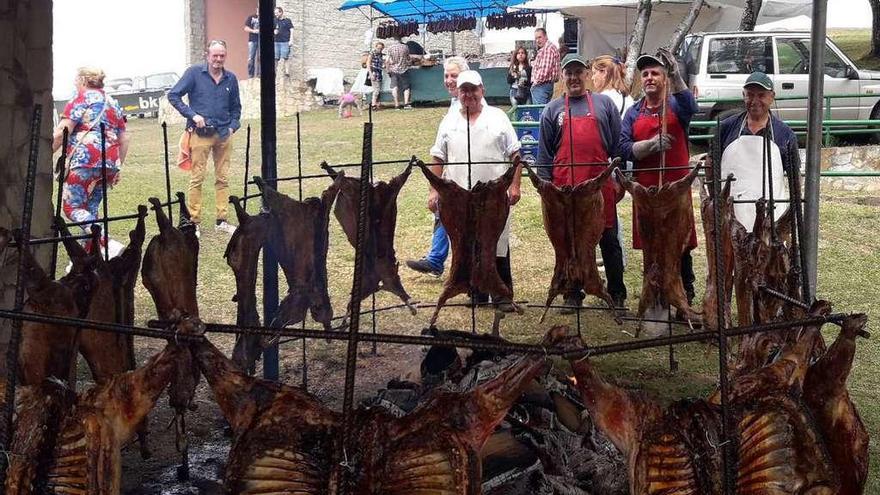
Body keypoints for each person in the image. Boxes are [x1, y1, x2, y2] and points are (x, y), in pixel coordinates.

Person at [536, 54, 627, 312]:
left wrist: (619, 178)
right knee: (569, 243)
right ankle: (572, 294)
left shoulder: (604, 105)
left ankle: (617, 293)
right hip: (565, 191)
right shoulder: (552, 110)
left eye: (578, 71)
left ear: (587, 74)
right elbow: (544, 155)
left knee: (608, 240)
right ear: (562, 77)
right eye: (569, 73)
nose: (574, 77)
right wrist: (546, 190)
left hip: (598, 189)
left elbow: (616, 148)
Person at [427, 70, 523, 309]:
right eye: (464, 90)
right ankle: (476, 292)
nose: (469, 94)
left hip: (493, 196)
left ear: (483, 90)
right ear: (458, 93)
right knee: (467, 242)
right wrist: (434, 191)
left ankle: (502, 296)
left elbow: (516, 154)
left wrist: (515, 184)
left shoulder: (498, 117)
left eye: (473, 89)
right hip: (459, 196)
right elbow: (438, 157)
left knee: (497, 241)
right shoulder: (448, 121)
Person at [620, 50, 700, 305]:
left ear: (664, 78)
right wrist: (649, 146)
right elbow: (622, 147)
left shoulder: (676, 105)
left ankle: (685, 293)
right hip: (647, 191)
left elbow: (691, 106)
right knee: (652, 243)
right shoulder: (633, 112)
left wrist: (677, 74)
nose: (649, 78)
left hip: (675, 189)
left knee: (680, 242)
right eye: (645, 74)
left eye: (655, 73)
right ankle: (654, 295)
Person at [168, 39, 242, 236]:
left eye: (222, 55)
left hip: (224, 134)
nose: (218, 59)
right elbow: (173, 95)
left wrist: (233, 127)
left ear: (225, 56)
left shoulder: (231, 79)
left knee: (223, 178)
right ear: (207, 56)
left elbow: (236, 107)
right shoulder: (194, 73)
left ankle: (222, 220)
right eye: (215, 55)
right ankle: (194, 222)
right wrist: (193, 115)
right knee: (197, 177)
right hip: (200, 134)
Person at [52, 66, 130, 254]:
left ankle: (107, 243)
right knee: (91, 211)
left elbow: (63, 131)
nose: (75, 84)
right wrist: (118, 166)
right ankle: (90, 257)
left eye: (76, 80)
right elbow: (124, 137)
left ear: (84, 80)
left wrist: (44, 154)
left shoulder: (80, 99)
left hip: (84, 161)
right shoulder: (113, 103)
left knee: (72, 208)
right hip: (109, 162)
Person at [406, 56, 471, 277]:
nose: (449, 80)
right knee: (444, 211)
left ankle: (454, 264)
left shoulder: (470, 104)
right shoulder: (454, 105)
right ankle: (436, 259)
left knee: (455, 216)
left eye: (454, 75)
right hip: (451, 174)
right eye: (446, 76)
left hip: (466, 174)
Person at [717, 71, 799, 227]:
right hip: (731, 215)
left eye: (761, 95)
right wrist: (716, 201)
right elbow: (712, 163)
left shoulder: (785, 134)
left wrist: (791, 215)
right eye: (750, 95)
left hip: (771, 215)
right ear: (743, 95)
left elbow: (794, 176)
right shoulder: (727, 127)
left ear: (771, 96)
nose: (755, 101)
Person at [591, 54, 635, 269]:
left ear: (604, 72)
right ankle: (615, 257)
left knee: (607, 216)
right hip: (624, 162)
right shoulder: (626, 97)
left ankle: (616, 259)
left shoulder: (606, 99)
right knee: (611, 215)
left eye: (594, 72)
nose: (592, 77)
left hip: (609, 164)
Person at [530, 28, 560, 105]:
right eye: (536, 38)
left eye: (540, 37)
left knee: (539, 113)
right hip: (547, 85)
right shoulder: (548, 48)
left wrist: (535, 83)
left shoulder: (548, 49)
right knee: (544, 111)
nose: (537, 40)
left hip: (541, 85)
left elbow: (544, 70)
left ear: (546, 36)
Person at [386, 36, 412, 109]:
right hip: (404, 69)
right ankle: (406, 103)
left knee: (394, 87)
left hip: (393, 70)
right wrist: (409, 62)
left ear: (394, 40)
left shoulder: (390, 48)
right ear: (401, 40)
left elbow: (387, 61)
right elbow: (408, 59)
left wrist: (388, 70)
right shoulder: (405, 47)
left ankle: (396, 104)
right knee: (406, 87)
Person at [273, 6, 294, 76]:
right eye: (275, 13)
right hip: (276, 42)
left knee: (285, 57)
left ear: (281, 12)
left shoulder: (287, 20)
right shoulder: (274, 20)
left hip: (285, 42)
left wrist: (291, 40)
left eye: (277, 13)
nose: (275, 14)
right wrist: (274, 31)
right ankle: (275, 72)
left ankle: (287, 72)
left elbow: (292, 30)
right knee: (275, 58)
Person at [244, 6, 260, 78]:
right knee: (251, 57)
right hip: (252, 40)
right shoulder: (251, 17)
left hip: (261, 40)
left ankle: (259, 74)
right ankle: (251, 74)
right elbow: (246, 28)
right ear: (257, 9)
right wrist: (253, 31)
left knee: (260, 57)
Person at [368, 42, 385, 110]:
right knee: (376, 90)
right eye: (378, 48)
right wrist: (370, 74)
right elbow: (368, 64)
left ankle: (377, 103)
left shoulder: (380, 55)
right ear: (376, 47)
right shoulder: (372, 53)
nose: (380, 50)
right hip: (374, 72)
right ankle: (373, 104)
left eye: (381, 48)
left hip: (379, 72)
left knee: (378, 89)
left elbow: (380, 64)